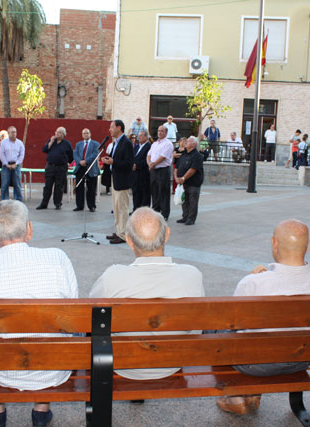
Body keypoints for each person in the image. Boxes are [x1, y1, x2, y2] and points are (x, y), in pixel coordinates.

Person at [0, 200, 78, 427]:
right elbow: (72, 314)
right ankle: (41, 410)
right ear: (29, 230)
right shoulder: (58, 259)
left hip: (0, 371)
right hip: (52, 368)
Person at [216, 219, 310, 415]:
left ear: (274, 243)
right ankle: (252, 392)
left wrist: (255, 278)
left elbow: (231, 324)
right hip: (301, 361)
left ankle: (235, 394)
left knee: (216, 331)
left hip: (253, 365)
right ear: (309, 245)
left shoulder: (253, 283)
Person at [91, 207, 204, 378]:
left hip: (125, 365)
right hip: (172, 363)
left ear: (129, 241)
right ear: (167, 234)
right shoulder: (192, 275)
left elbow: (91, 315)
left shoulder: (112, 278)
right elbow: (198, 326)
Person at [102, 119, 133, 244]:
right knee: (116, 207)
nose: (110, 129)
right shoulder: (116, 143)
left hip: (123, 180)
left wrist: (113, 162)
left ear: (119, 128)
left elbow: (128, 163)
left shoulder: (126, 143)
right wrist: (108, 160)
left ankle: (123, 234)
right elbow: (116, 159)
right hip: (115, 178)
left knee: (122, 208)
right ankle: (118, 231)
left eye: (112, 127)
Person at [36, 127, 73, 210]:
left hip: (61, 167)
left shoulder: (67, 144)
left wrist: (65, 162)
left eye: (59, 132)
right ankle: (44, 203)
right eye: (56, 132)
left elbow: (71, 156)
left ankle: (57, 203)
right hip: (50, 166)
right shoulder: (51, 141)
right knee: (47, 186)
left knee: (59, 186)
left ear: (63, 134)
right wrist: (51, 142)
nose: (57, 134)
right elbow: (44, 149)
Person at [175, 136, 204, 226]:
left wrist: (183, 178)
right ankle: (185, 216)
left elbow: (193, 169)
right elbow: (176, 167)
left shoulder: (197, 156)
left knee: (192, 201)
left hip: (193, 183)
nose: (186, 142)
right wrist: (176, 177)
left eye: (188, 141)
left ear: (194, 144)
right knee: (184, 200)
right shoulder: (184, 154)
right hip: (182, 182)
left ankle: (191, 219)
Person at [147, 125, 174, 220]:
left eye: (162, 131)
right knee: (154, 191)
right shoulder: (154, 144)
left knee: (163, 192)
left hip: (163, 170)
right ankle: (155, 211)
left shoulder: (168, 144)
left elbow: (163, 157)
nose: (159, 133)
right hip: (153, 170)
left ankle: (164, 213)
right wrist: (149, 164)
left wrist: (153, 164)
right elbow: (148, 155)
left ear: (166, 133)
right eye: (158, 131)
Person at [72, 128, 100, 212]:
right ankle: (79, 205)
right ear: (82, 135)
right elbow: (75, 154)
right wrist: (80, 161)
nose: (85, 134)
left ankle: (91, 206)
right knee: (79, 187)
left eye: (87, 133)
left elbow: (95, 154)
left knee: (91, 188)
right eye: (84, 133)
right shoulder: (78, 144)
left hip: (91, 168)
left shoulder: (95, 144)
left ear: (90, 134)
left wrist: (86, 161)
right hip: (80, 168)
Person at [0, 126, 24, 201]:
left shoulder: (20, 143)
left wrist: (16, 163)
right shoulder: (3, 143)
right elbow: (2, 154)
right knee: (4, 185)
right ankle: (4, 201)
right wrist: (6, 163)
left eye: (15, 132)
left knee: (17, 185)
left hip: (16, 165)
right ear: (8, 133)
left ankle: (18, 200)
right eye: (12, 132)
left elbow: (21, 155)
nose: (14, 134)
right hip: (6, 166)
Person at [132, 130, 151, 210]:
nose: (139, 138)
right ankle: (136, 209)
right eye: (138, 136)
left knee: (144, 193)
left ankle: (144, 211)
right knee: (136, 192)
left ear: (146, 137)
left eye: (141, 136)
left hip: (144, 173)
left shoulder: (149, 146)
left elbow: (148, 159)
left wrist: (137, 165)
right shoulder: (136, 146)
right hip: (135, 173)